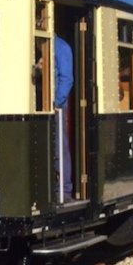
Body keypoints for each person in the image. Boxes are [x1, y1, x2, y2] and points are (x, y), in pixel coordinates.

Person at [54, 34, 74, 200]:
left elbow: (67, 78)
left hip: (54, 107)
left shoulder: (61, 47)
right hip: (38, 108)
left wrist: (57, 102)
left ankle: (65, 190)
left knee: (60, 146)